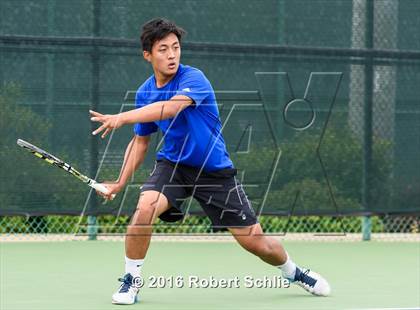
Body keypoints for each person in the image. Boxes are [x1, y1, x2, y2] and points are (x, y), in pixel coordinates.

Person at [90, 18, 330, 305]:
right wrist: (119, 182)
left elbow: (169, 108)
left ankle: (293, 271)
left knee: (257, 242)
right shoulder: (145, 92)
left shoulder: (194, 79)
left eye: (175, 48)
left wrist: (122, 117)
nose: (171, 55)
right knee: (144, 208)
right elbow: (141, 141)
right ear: (148, 55)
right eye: (163, 49)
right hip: (174, 167)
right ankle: (131, 282)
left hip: (214, 171)